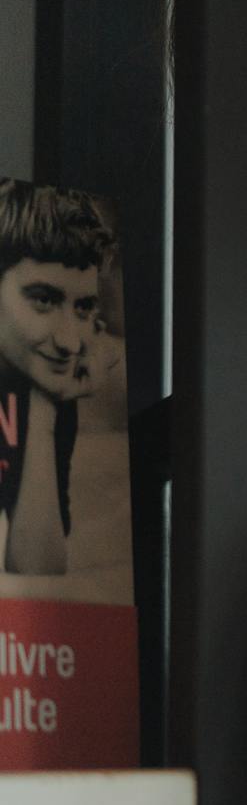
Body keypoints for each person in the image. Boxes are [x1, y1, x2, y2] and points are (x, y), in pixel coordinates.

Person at [0, 180, 115, 576]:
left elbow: (38, 570)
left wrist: (47, 408)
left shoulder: (41, 380)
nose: (69, 342)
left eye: (82, 307)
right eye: (44, 300)